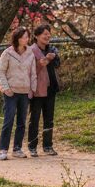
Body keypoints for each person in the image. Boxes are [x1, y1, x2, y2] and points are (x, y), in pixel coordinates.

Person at [0, 26, 37, 160]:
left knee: (21, 122)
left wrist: (32, 89)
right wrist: (5, 88)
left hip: (25, 92)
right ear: (17, 38)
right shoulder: (7, 53)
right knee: (8, 120)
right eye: (24, 37)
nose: (27, 39)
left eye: (27, 36)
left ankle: (17, 148)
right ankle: (3, 149)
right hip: (11, 92)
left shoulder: (30, 53)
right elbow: (0, 72)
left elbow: (33, 73)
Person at [28, 23, 61, 157]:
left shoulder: (52, 49)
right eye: (44, 34)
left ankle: (48, 146)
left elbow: (58, 65)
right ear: (36, 36)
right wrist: (40, 63)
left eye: (49, 34)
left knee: (49, 118)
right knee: (34, 118)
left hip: (50, 87)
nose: (47, 36)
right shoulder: (30, 51)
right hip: (36, 89)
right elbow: (29, 71)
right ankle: (32, 146)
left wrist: (53, 58)